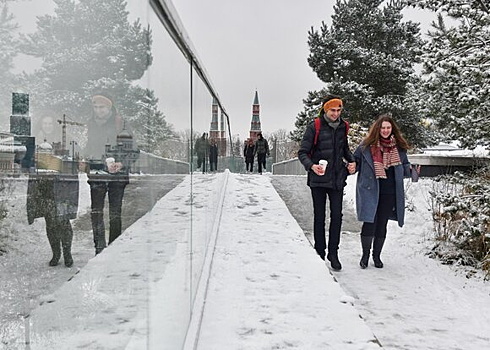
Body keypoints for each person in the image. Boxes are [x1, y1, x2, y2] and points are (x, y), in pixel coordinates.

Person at [298, 95, 356, 271]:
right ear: (325, 109)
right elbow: (302, 153)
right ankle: (320, 251)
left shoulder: (343, 127)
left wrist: (352, 161)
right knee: (320, 217)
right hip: (318, 180)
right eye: (333, 110)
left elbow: (344, 148)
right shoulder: (314, 126)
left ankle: (333, 253)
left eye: (339, 110)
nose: (336, 114)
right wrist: (312, 166)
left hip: (337, 179)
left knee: (337, 217)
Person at [354, 114, 418, 269]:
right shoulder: (366, 146)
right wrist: (349, 167)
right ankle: (365, 255)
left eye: (388, 127)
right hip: (370, 190)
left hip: (389, 191)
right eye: (382, 127)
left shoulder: (399, 148)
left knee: (382, 223)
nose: (385, 130)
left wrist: (412, 171)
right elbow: (355, 162)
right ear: (378, 129)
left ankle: (377, 256)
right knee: (369, 222)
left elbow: (404, 168)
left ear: (392, 129)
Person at [81, 92, 131, 255]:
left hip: (117, 175)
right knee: (96, 212)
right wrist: (83, 157)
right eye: (95, 107)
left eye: (101, 107)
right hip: (97, 173)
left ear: (109, 107)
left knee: (115, 212)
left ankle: (114, 247)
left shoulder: (120, 123)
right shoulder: (91, 124)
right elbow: (90, 146)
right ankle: (99, 247)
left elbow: (133, 149)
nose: (98, 110)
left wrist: (121, 163)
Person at [26, 173, 78, 267]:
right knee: (50, 222)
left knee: (63, 221)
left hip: (62, 181)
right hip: (45, 179)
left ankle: (67, 253)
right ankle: (56, 253)